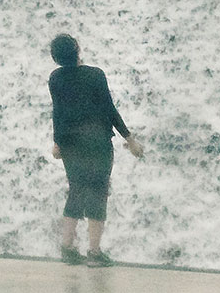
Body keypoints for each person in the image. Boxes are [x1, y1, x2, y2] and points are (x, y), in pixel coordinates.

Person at [45, 34, 146, 267]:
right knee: (98, 192)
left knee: (76, 189)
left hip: (69, 143)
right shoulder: (95, 75)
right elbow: (109, 109)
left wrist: (57, 142)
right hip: (97, 141)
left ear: (55, 57)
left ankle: (67, 249)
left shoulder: (55, 78)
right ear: (78, 49)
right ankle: (94, 252)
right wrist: (129, 139)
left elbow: (58, 112)